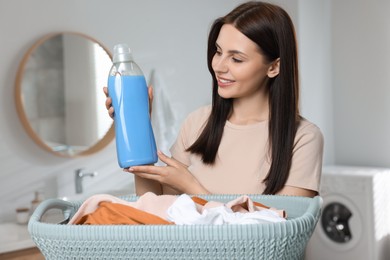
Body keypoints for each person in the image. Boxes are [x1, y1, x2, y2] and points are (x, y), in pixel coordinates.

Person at [104, 1, 323, 197]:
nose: (218, 66)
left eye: (236, 59)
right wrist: (139, 125)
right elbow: (157, 209)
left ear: (274, 67)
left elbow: (281, 233)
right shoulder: (198, 123)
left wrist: (192, 187)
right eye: (218, 52)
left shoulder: (303, 138)